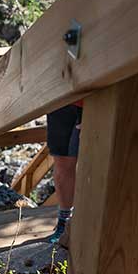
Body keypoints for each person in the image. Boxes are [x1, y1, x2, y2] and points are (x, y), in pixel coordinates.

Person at [45, 101, 83, 244]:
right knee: (62, 161)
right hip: (62, 97)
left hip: (99, 96)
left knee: (95, 159)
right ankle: (64, 222)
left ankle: (90, 221)